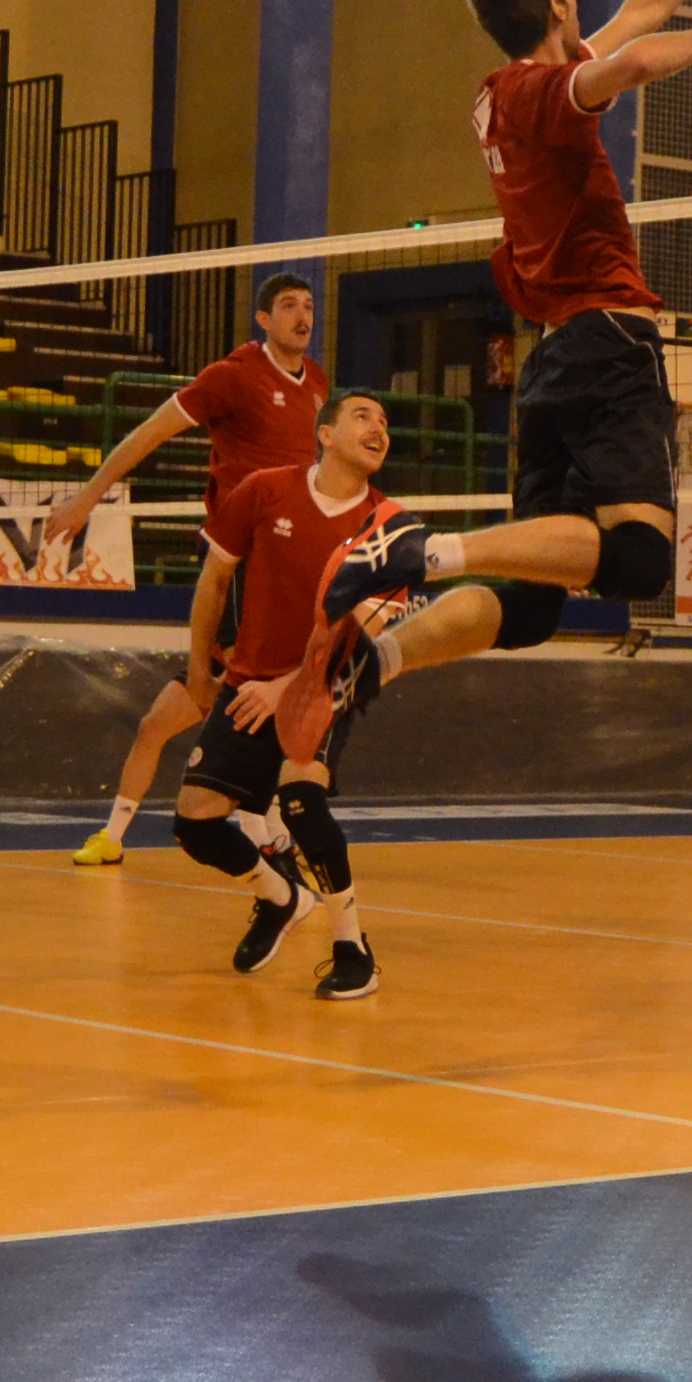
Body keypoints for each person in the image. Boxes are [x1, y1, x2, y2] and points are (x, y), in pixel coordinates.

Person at [279, 0, 692, 743]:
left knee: (532, 604)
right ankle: (422, 550)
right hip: (609, 336)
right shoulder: (545, 94)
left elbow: (640, 14)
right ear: (556, 5)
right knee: (640, 559)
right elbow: (633, 62)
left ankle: (377, 662)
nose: (583, 6)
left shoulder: (504, 94)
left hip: (554, 356)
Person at [40, 271, 327, 868]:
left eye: (308, 305)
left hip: (297, 563)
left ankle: (264, 827)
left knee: (232, 699)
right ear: (263, 319)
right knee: (230, 694)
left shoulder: (319, 385)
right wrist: (88, 498)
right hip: (242, 557)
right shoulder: (233, 376)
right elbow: (149, 433)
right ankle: (263, 831)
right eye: (288, 306)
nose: (303, 316)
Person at [171, 388, 405, 1000]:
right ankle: (279, 897)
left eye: (384, 422)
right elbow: (214, 578)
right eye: (363, 416)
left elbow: (366, 631)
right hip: (249, 681)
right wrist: (199, 668)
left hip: (327, 683)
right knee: (194, 823)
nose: (378, 428)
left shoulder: (390, 525)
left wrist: (288, 688)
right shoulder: (265, 490)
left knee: (300, 798)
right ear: (324, 434)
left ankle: (352, 948)